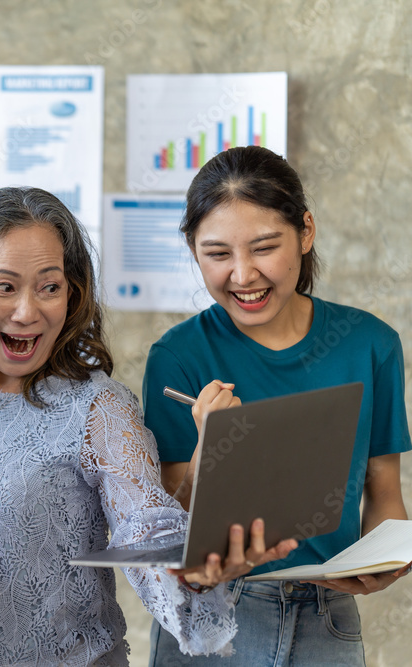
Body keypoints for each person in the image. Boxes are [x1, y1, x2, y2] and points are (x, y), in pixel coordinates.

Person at [0, 186, 294, 666]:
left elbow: (148, 537)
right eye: (4, 286)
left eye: (49, 286)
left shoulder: (99, 409)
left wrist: (197, 571)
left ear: (72, 294)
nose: (28, 311)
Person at [143, 145, 412, 666]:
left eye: (264, 247)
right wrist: (207, 452)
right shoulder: (178, 356)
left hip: (328, 614)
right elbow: (171, 530)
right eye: (217, 254)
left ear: (305, 231)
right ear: (193, 250)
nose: (242, 276)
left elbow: (384, 496)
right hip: (216, 617)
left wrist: (390, 557)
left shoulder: (371, 344)